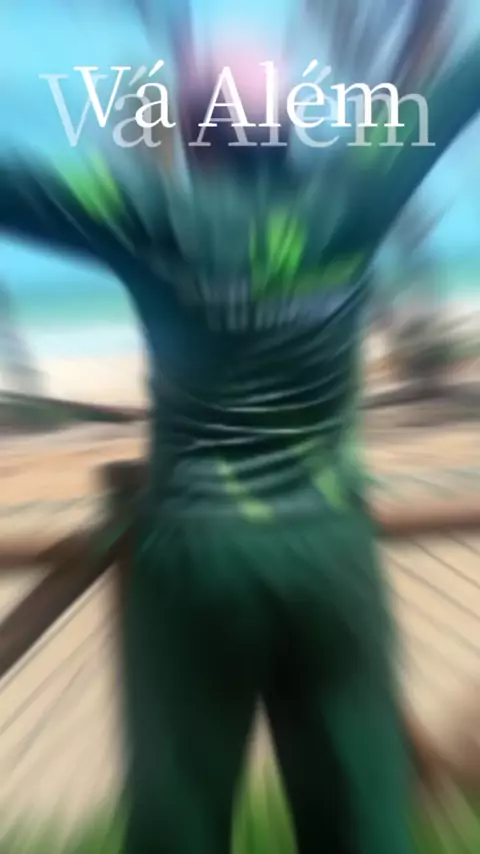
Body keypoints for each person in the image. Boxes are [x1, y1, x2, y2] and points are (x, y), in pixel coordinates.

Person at [0, 34, 479, 854]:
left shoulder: (150, 212)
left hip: (195, 559)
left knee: (180, 823)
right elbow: (454, 91)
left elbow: (18, 187)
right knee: (363, 813)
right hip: (329, 553)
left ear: (193, 137)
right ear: (288, 127)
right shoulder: (357, 191)